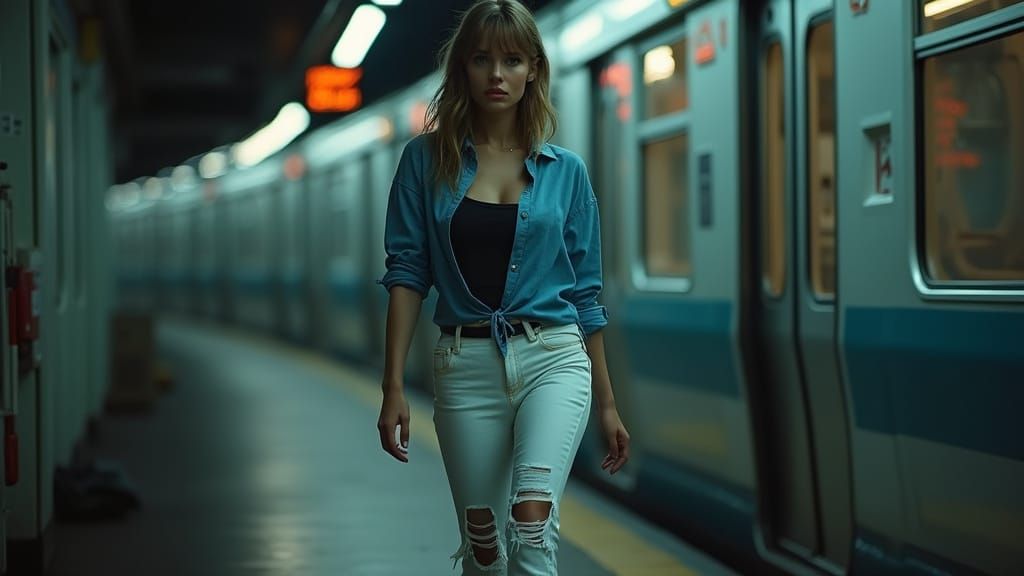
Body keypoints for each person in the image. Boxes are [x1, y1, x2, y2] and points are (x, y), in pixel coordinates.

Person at [376, 1, 630, 573]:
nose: (497, 75)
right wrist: (392, 385)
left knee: (532, 525)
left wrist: (609, 403)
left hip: (555, 361)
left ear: (534, 70)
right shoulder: (423, 162)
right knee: (483, 543)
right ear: (462, 68)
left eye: (513, 61)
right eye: (483, 60)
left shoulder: (567, 171)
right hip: (464, 366)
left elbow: (586, 295)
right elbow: (408, 272)